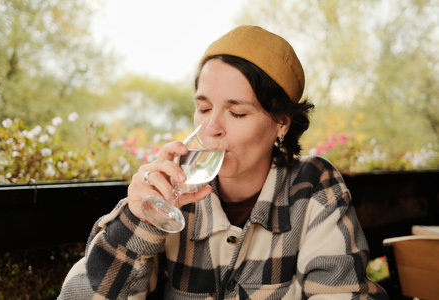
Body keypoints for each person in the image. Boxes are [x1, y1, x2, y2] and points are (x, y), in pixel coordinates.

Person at [58, 25, 387, 299]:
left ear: (282, 123)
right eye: (203, 109)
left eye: (237, 112)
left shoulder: (312, 185)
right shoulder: (170, 188)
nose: (210, 129)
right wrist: (139, 222)